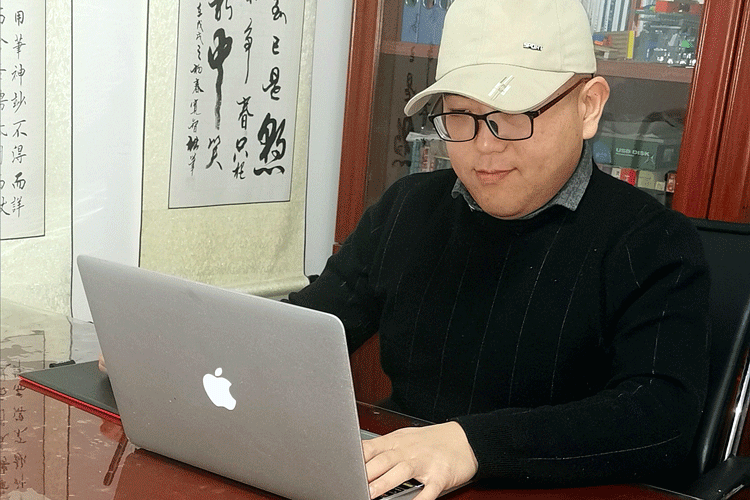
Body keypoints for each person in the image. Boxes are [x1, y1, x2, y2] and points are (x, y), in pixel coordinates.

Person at [287, 0, 710, 499]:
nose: (484, 146)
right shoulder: (406, 208)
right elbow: (306, 334)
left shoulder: (653, 242)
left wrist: (473, 445)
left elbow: (660, 416)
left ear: (588, 106)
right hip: (407, 480)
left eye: (511, 116)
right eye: (461, 116)